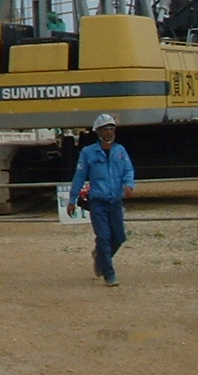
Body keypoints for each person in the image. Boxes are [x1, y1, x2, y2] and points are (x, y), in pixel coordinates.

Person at [66, 113, 135, 287]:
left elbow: (128, 170)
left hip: (115, 201)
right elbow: (80, 176)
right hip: (98, 202)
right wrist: (72, 199)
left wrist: (128, 184)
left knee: (119, 237)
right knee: (104, 237)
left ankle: (100, 257)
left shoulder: (120, 151)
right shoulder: (88, 153)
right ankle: (109, 274)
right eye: (106, 129)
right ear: (98, 131)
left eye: (112, 129)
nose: (109, 132)